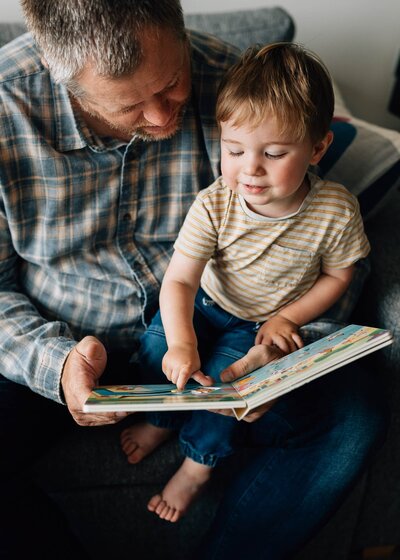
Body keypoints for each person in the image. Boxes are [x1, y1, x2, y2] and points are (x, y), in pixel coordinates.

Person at [0, 1, 387, 559]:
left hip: (225, 330)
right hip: (67, 334)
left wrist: (281, 348)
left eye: (172, 83)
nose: (162, 118)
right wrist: (53, 365)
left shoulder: (239, 81)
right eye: (130, 104)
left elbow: (317, 237)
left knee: (354, 419)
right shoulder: (8, 109)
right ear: (64, 77)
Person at [120, 43, 371, 523]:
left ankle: (197, 464)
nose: (250, 168)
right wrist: (180, 341)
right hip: (205, 302)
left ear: (318, 148)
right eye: (234, 150)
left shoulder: (335, 210)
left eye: (274, 153)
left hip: (257, 325)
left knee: (232, 387)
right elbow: (178, 282)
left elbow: (341, 273)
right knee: (157, 349)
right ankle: (158, 417)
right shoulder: (216, 203)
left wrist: (287, 318)